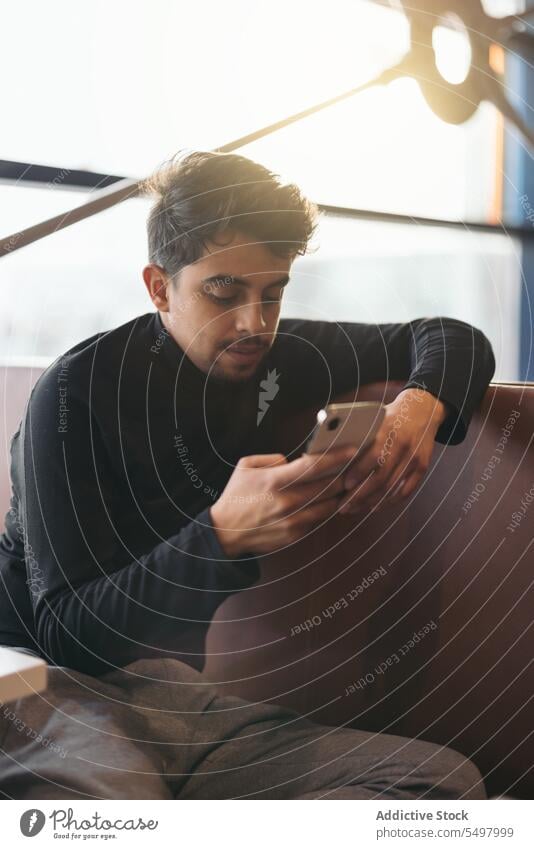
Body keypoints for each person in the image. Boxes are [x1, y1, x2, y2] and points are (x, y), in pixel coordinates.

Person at [0, 150, 494, 800]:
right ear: (158, 287)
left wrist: (420, 402)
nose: (253, 323)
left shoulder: (273, 357)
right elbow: (70, 632)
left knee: (439, 782)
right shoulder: (73, 394)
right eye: (223, 293)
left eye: (273, 292)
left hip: (179, 699)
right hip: (44, 688)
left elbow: (447, 336)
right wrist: (220, 536)